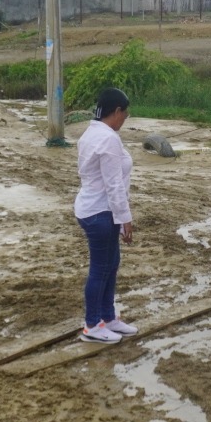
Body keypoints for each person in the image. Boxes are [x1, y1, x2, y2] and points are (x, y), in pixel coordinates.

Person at [74, 87, 137, 344]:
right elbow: (113, 184)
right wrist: (125, 218)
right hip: (100, 212)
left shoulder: (92, 133)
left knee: (111, 264)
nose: (125, 119)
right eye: (125, 114)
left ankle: (108, 318)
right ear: (117, 111)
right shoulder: (107, 138)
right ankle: (92, 325)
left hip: (97, 209)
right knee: (100, 269)